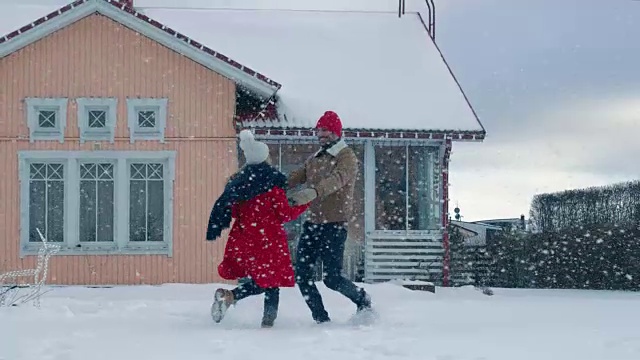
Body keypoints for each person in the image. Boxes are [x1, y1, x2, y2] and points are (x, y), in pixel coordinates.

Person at [206, 129, 311, 328]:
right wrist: (305, 202)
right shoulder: (272, 185)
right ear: (264, 158)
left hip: (248, 238)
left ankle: (231, 297)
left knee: (263, 280)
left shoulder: (240, 184)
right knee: (271, 284)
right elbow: (284, 214)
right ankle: (267, 325)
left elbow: (235, 212)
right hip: (269, 240)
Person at [287, 110, 372, 324]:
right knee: (302, 275)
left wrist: (313, 192)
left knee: (332, 279)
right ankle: (321, 319)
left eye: (325, 130)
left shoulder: (346, 157)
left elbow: (338, 179)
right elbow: (295, 177)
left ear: (335, 132)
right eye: (319, 130)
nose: (321, 134)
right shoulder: (315, 158)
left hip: (334, 225)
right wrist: (271, 184)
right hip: (313, 224)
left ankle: (362, 299)